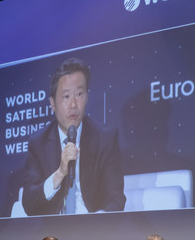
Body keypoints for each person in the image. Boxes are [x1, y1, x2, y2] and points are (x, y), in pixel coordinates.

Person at [22, 57, 125, 216]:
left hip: (92, 226)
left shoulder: (105, 139)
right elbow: (29, 205)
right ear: (52, 103)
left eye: (79, 94)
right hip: (53, 229)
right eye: (66, 96)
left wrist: (94, 224)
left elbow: (116, 200)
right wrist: (59, 173)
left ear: (87, 97)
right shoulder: (39, 143)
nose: (73, 104)